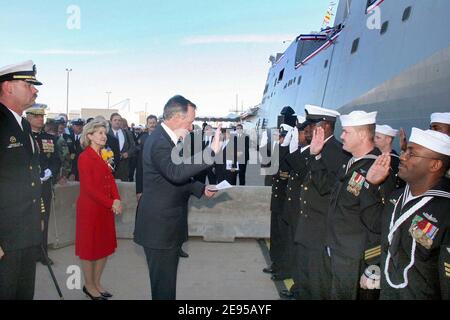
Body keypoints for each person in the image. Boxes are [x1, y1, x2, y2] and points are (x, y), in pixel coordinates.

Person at [133, 95, 222, 300]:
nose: (191, 128)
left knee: (167, 285)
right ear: (175, 118)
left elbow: (174, 177)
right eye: (190, 122)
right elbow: (174, 172)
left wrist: (200, 188)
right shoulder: (159, 142)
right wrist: (210, 153)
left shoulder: (169, 139)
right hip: (159, 228)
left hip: (168, 226)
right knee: (163, 289)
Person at [313, 110, 396, 300]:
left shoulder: (378, 169)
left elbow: (380, 224)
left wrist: (373, 267)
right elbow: (325, 190)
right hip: (337, 250)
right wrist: (316, 156)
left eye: (346, 132)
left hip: (356, 258)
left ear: (361, 135)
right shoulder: (350, 163)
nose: (341, 136)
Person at [370, 128, 450, 299]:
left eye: (411, 154)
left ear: (434, 165)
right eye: (405, 150)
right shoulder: (396, 197)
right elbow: (378, 230)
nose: (403, 156)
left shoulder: (445, 210)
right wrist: (371, 185)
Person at [295, 105, 349, 300]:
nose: (308, 129)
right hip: (307, 228)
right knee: (304, 280)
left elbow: (325, 186)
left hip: (320, 231)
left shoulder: (335, 151)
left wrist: (316, 156)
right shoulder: (319, 148)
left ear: (325, 126)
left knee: (317, 285)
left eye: (312, 124)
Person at [0, 60, 43, 299]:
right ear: (8, 87)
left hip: (25, 231)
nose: (35, 90)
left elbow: (30, 177)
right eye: (29, 84)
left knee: (23, 291)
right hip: (4, 235)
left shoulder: (24, 125)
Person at [76, 119, 122, 300]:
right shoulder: (84, 157)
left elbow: (110, 180)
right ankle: (88, 285)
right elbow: (88, 188)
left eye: (105, 132)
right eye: (100, 133)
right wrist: (111, 203)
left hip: (105, 208)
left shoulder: (105, 154)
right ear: (89, 136)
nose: (104, 136)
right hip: (90, 210)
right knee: (89, 249)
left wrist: (117, 198)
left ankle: (96, 283)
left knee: (104, 247)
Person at [26, 104, 61, 266]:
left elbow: (56, 160)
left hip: (44, 185)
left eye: (42, 116)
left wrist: (50, 173)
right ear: (29, 117)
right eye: (37, 115)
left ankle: (42, 253)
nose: (41, 118)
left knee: (43, 218)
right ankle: (27, 254)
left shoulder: (50, 138)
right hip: (25, 185)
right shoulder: (21, 136)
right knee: (26, 218)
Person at [108, 113, 136, 181]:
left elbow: (133, 147)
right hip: (109, 165)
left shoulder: (127, 133)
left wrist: (128, 153)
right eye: (115, 120)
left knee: (122, 188)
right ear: (111, 121)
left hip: (124, 166)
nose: (117, 122)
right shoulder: (106, 133)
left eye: (119, 120)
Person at [136, 115, 158, 201]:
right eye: (150, 123)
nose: (152, 125)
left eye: (154, 123)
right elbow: (139, 166)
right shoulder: (143, 138)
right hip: (145, 180)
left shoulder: (163, 138)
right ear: (147, 125)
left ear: (157, 123)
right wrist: (139, 190)